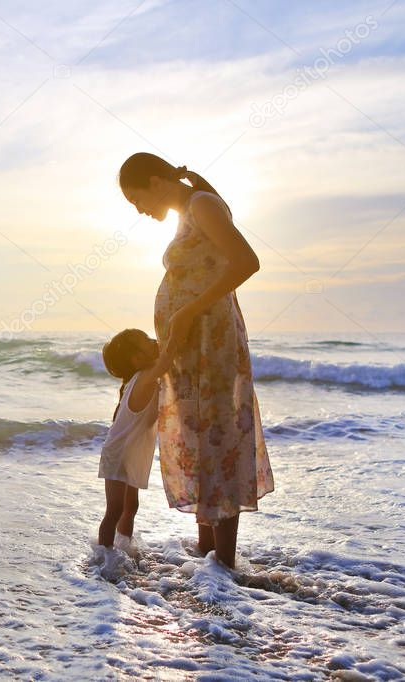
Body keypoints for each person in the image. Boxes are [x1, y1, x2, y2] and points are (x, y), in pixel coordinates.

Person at [117, 152, 275, 570]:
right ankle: (209, 561)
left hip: (212, 343)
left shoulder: (202, 205)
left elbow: (247, 261)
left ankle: (222, 564)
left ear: (154, 181)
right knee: (201, 442)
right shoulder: (189, 211)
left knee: (218, 439)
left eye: (136, 199)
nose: (139, 210)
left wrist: (188, 312)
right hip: (193, 348)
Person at [96, 328, 179, 554]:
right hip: (119, 453)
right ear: (137, 358)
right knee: (115, 509)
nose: (154, 341)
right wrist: (179, 328)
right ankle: (103, 558)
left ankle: (123, 547)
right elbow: (166, 360)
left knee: (131, 506)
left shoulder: (143, 377)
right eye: (147, 340)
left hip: (132, 453)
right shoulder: (144, 377)